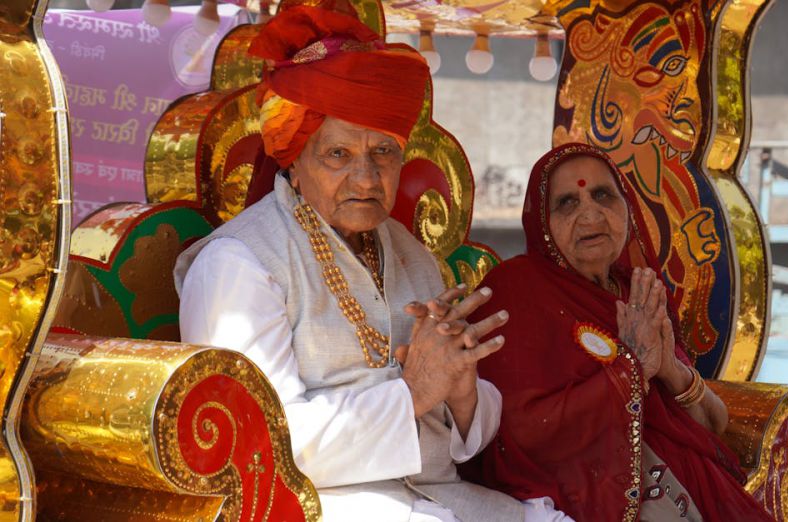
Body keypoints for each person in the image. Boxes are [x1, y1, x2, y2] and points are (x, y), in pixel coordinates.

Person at [174, 6, 568, 521]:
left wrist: (463, 392)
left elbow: (456, 434)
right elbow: (255, 444)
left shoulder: (409, 251)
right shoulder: (240, 264)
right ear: (294, 157)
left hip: (437, 498)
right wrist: (413, 393)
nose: (366, 178)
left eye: (384, 152)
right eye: (339, 154)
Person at [460, 143, 773, 521]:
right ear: (542, 221)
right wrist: (631, 371)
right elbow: (522, 434)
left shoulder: (637, 291)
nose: (590, 213)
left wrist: (668, 371)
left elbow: (713, 424)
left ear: (628, 209)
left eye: (603, 195)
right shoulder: (516, 292)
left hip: (699, 493)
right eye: (567, 203)